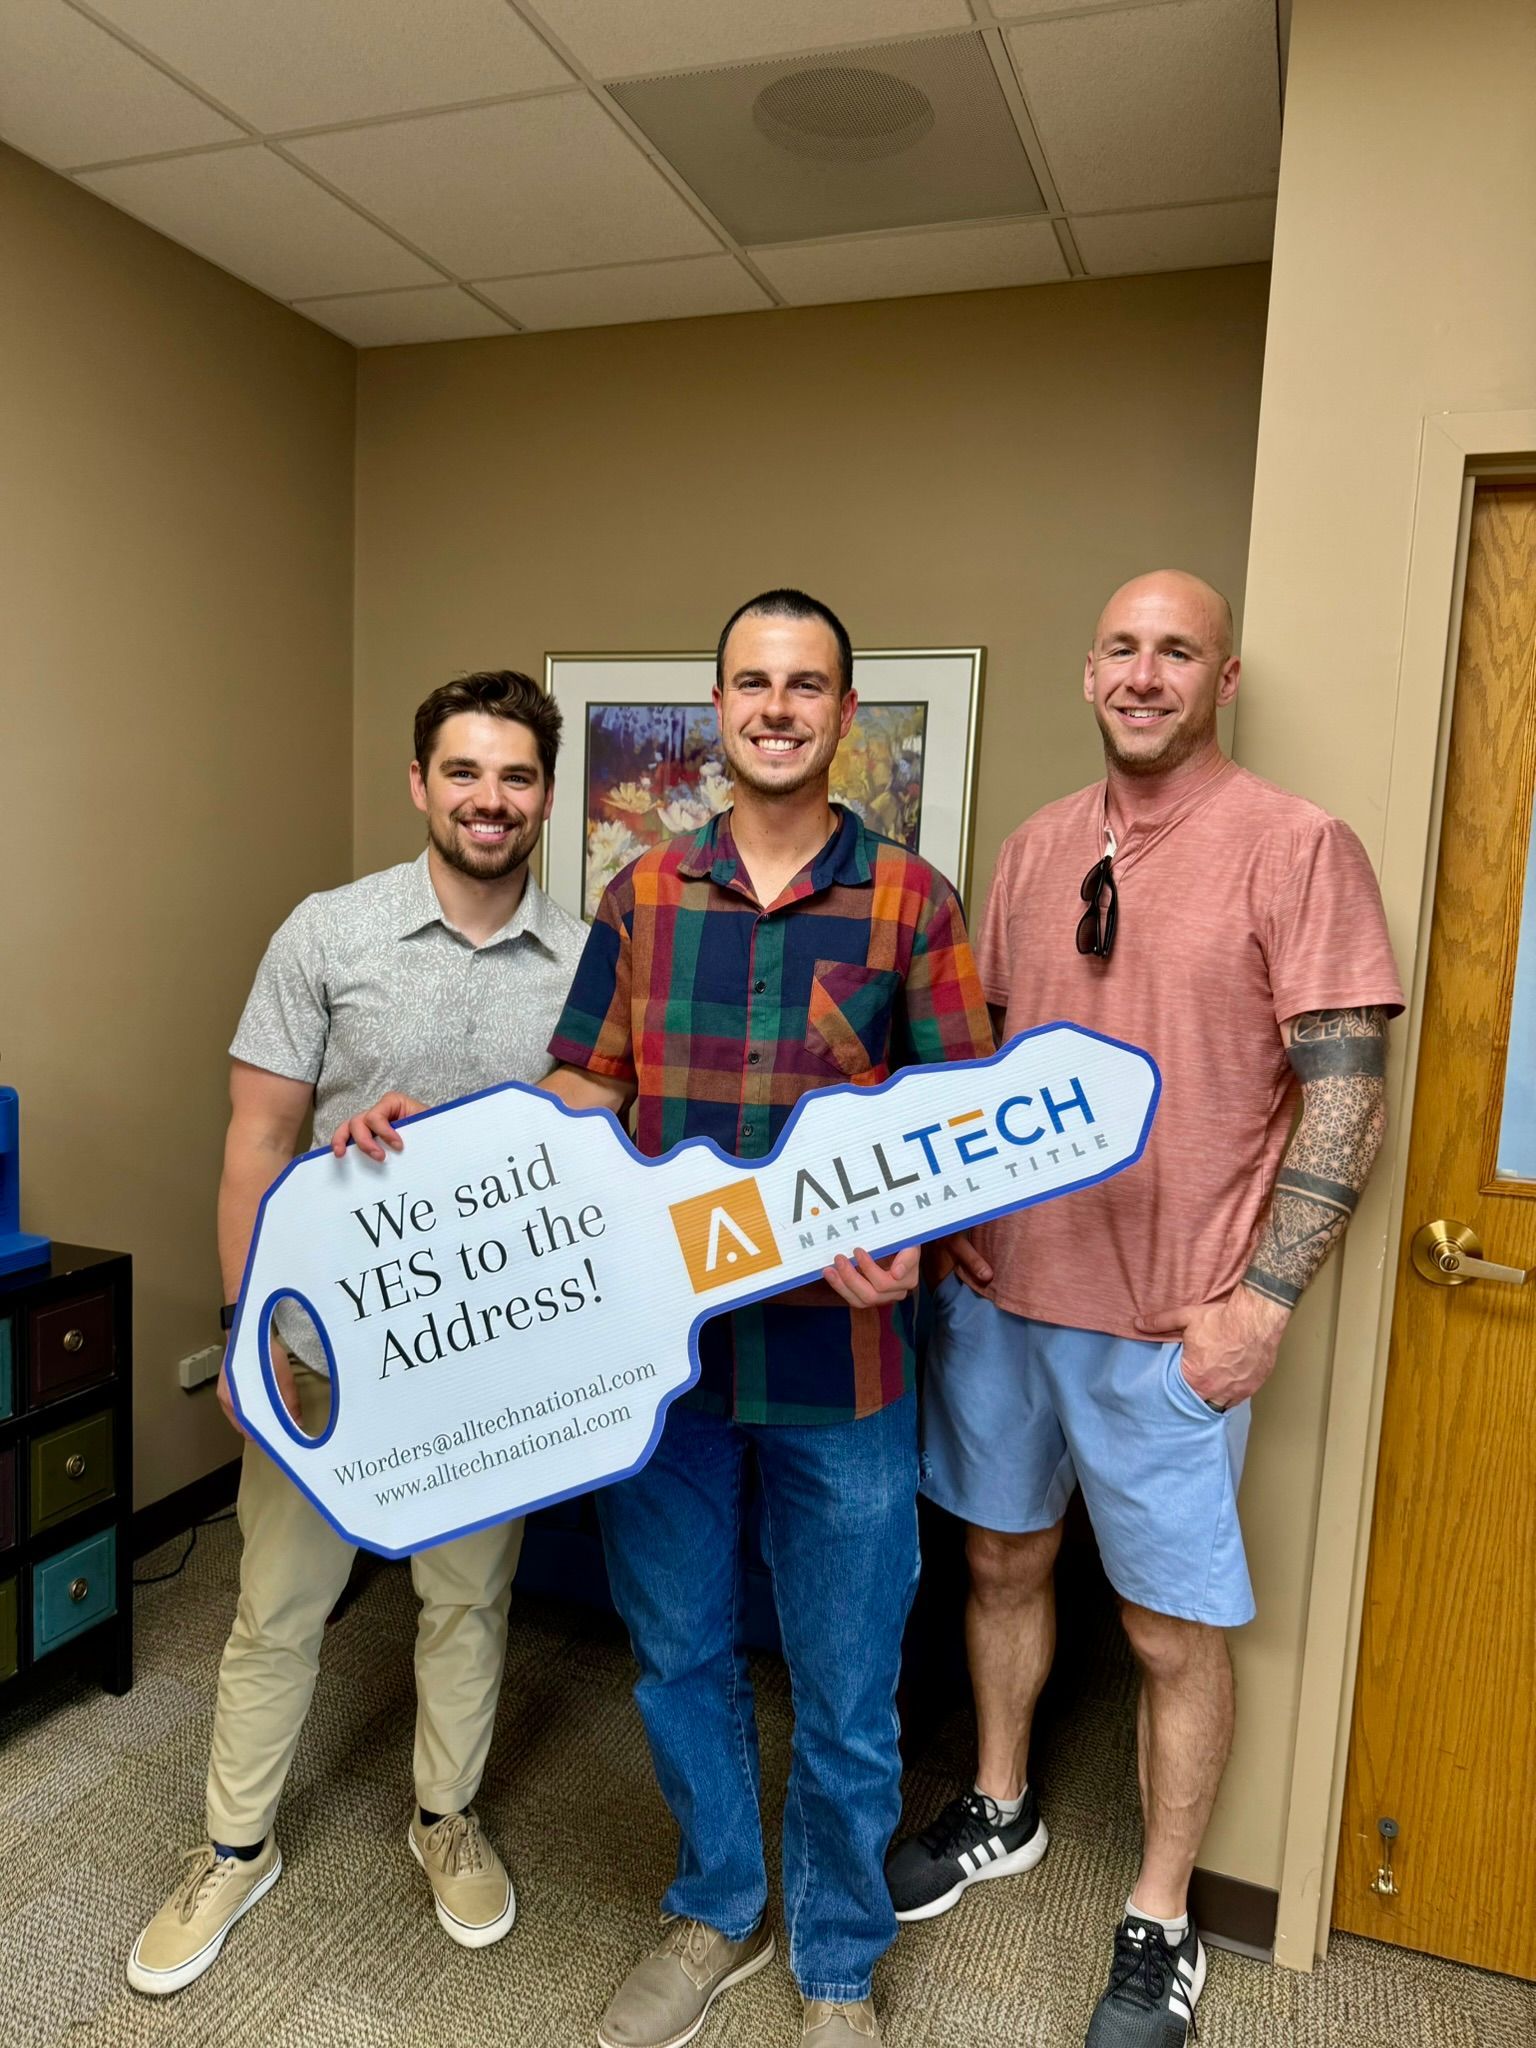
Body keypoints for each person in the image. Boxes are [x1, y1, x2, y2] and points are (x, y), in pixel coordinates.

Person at [337, 590, 996, 2047]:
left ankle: (836, 1966)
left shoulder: (911, 901)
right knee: (679, 1655)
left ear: (843, 712)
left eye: (805, 684)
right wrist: (431, 1150)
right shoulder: (643, 898)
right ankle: (716, 1910)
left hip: (848, 1362)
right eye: (751, 684)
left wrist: (914, 1235)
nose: (776, 707)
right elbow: (585, 1091)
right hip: (665, 1366)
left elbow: (968, 1126)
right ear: (718, 710)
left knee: (845, 1692)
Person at [884, 572, 1404, 2045]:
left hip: (1174, 1325)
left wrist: (1265, 1302)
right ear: (1090, 670)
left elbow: (1347, 1095)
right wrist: (952, 1238)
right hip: (1005, 1300)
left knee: (1174, 1633)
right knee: (998, 1565)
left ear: (1221, 676)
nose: (1144, 672)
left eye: (1177, 650)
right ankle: (1000, 1804)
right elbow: (982, 1069)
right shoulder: (1036, 846)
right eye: (1121, 647)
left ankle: (1161, 1914)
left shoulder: (1296, 847)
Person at [127, 672, 587, 1996]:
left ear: (545, 795)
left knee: (468, 1598)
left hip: (487, 1368)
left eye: (512, 776)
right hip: (323, 1357)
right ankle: (234, 1847)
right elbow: (257, 1140)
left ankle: (445, 1819)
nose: (488, 799)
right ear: (419, 784)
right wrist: (243, 1332)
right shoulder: (327, 934)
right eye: (462, 771)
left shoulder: (587, 963)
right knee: (275, 1608)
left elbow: (584, 1161)